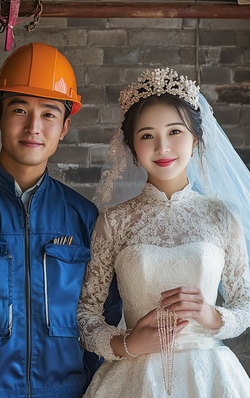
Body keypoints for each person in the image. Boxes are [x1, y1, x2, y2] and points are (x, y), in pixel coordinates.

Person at [0, 42, 121, 398]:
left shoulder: (83, 218)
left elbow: (102, 318)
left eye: (48, 114)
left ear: (64, 127)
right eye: (19, 109)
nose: (33, 126)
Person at [77, 67, 250, 397]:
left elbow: (246, 304)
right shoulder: (114, 221)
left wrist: (211, 315)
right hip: (132, 378)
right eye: (147, 135)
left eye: (174, 132)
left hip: (210, 376)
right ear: (132, 147)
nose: (162, 147)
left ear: (196, 139)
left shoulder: (221, 216)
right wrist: (127, 344)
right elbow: (86, 315)